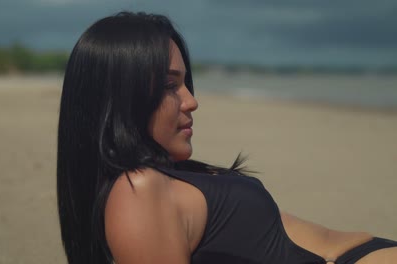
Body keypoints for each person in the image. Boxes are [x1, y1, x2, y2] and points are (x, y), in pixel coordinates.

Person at [57, 11, 397, 264]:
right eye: (168, 85)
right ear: (119, 97)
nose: (192, 100)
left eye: (186, 83)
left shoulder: (172, 174)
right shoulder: (139, 190)